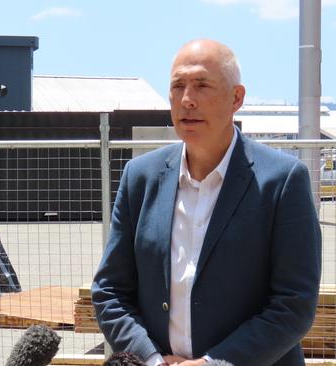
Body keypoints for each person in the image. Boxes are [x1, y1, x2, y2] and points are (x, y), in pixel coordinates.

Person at [91, 39, 322, 366]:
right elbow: (109, 291)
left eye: (202, 85)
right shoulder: (140, 178)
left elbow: (294, 305)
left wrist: (215, 363)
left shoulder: (282, 182)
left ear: (236, 98)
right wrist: (152, 360)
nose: (187, 100)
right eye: (178, 86)